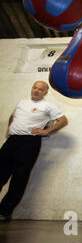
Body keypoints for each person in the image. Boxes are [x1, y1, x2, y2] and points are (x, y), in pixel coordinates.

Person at [0, 81, 68, 222]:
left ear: (45, 93)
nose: (36, 91)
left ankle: (5, 211)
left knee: (19, 178)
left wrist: (47, 131)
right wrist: (9, 129)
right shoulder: (22, 102)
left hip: (29, 143)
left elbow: (63, 120)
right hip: (12, 141)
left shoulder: (48, 106)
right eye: (35, 88)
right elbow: (13, 116)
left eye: (40, 89)